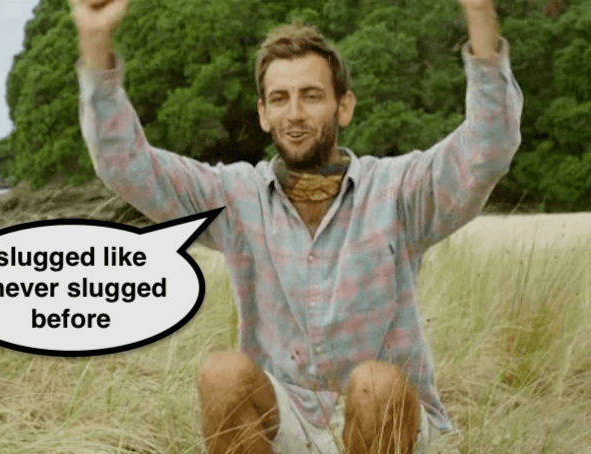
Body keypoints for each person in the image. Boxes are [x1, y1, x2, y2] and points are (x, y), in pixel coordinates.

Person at [69, 0, 523, 452]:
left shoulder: (398, 190)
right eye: (280, 99)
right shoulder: (236, 196)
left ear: (343, 107)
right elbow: (127, 165)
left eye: (312, 95)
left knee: (373, 384)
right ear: (263, 113)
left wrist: (479, 13)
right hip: (289, 423)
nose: (295, 114)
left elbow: (487, 148)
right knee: (223, 375)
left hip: (388, 424)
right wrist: (95, 38)